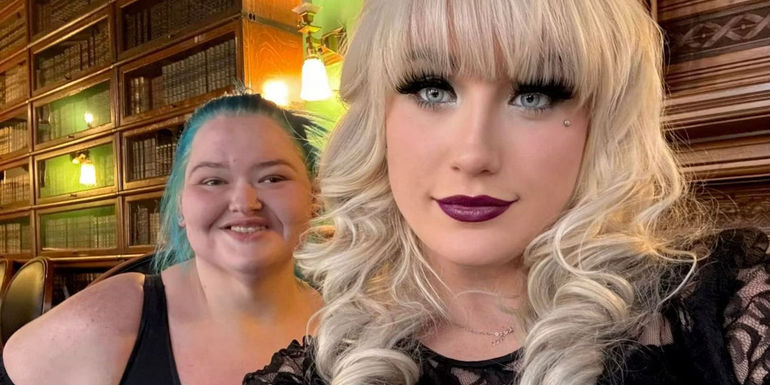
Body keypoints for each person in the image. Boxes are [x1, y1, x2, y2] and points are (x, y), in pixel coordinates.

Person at [244, 0, 770, 384]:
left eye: (535, 93)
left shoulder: (732, 314)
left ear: (601, 124)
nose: (473, 154)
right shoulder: (311, 374)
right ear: (378, 118)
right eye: (433, 89)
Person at [1, 94, 324, 385]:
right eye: (212, 180)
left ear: (315, 196)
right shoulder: (113, 316)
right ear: (181, 204)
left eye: (273, 178)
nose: (244, 202)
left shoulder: (352, 319)